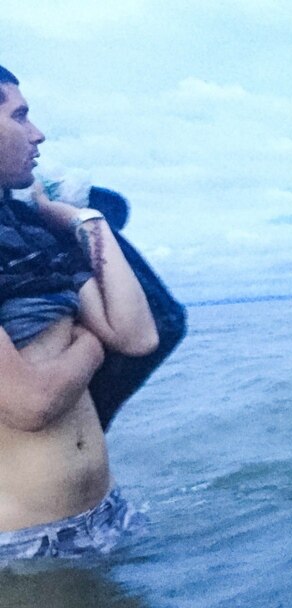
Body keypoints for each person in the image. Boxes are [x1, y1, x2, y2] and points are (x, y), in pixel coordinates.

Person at [0, 65, 159, 561]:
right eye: (20, 116)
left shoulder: (30, 232)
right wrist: (92, 338)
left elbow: (138, 335)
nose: (38, 133)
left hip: (108, 511)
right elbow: (31, 403)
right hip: (30, 545)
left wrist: (84, 220)